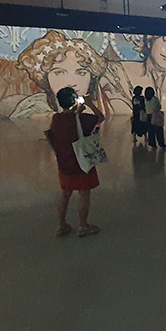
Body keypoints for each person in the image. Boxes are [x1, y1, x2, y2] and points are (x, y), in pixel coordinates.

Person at [46, 87, 104, 237]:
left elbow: (66, 124)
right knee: (84, 193)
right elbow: (100, 117)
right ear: (74, 100)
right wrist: (90, 104)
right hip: (81, 162)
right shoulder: (82, 119)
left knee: (65, 193)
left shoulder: (56, 118)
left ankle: (61, 225)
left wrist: (76, 111)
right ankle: (83, 226)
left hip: (64, 162)